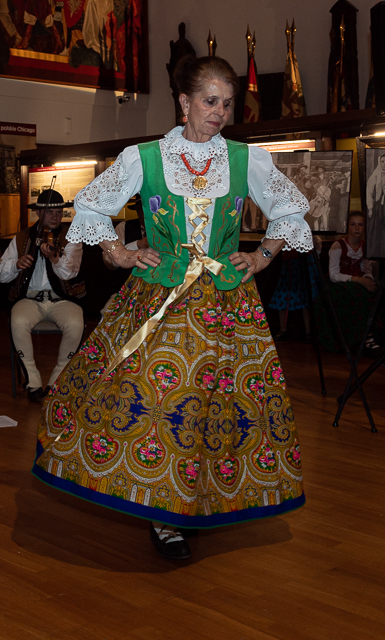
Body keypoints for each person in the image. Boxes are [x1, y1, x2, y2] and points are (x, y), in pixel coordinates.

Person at [31, 56, 310, 561]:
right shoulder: (146, 157)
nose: (220, 112)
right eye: (210, 101)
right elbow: (92, 206)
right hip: (159, 295)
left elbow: (291, 210)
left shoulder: (248, 159)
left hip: (226, 303)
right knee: (158, 402)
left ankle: (196, 501)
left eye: (227, 103)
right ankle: (164, 516)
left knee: (214, 409)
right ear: (184, 102)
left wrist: (261, 256)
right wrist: (119, 252)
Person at [0, 189, 84, 402]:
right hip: (30, 298)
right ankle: (32, 380)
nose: (55, 216)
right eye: (49, 212)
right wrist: (15, 265)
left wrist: (55, 258)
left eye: (59, 212)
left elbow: (71, 271)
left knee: (76, 324)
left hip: (62, 298)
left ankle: (57, 380)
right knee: (17, 321)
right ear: (37, 213)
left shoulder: (71, 237)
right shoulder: (22, 236)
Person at [313, 212, 385, 352]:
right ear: (347, 226)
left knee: (378, 293)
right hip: (340, 282)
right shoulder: (338, 245)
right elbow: (334, 274)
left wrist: (368, 280)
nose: (356, 228)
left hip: (357, 282)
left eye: (360, 225)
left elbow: (366, 268)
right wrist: (358, 280)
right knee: (354, 295)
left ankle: (378, 336)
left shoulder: (365, 246)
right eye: (353, 224)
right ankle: (364, 337)